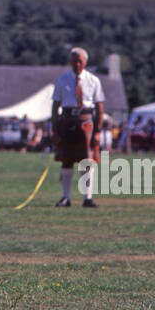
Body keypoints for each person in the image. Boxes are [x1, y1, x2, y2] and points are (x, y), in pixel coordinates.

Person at [51, 47, 103, 208]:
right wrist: (55, 129)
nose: (77, 64)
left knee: (87, 160)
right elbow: (55, 106)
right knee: (66, 160)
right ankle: (66, 197)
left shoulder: (93, 81)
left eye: (80, 61)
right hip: (67, 121)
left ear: (85, 63)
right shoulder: (62, 80)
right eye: (74, 61)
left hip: (86, 121)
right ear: (70, 62)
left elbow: (99, 107)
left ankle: (88, 197)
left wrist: (98, 131)